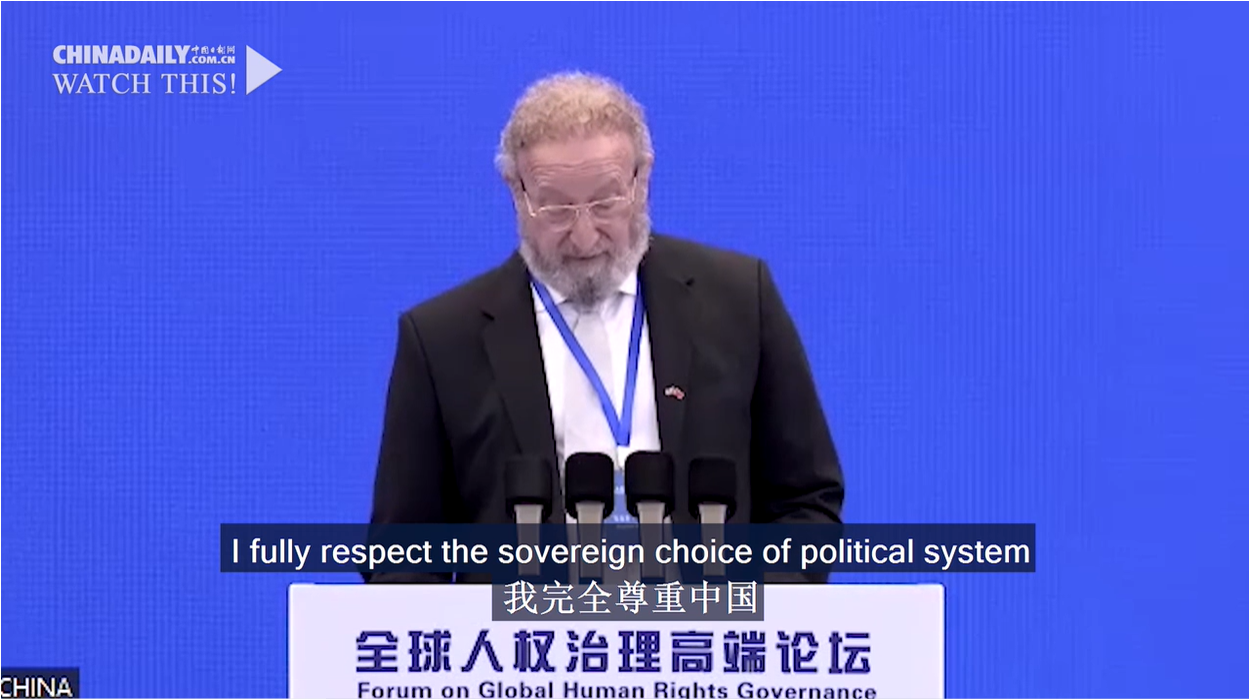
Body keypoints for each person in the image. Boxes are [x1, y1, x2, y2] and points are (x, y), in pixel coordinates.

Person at [368, 72, 844, 583]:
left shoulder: (738, 300)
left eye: (605, 202)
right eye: (556, 207)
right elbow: (401, 556)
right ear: (516, 192)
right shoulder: (442, 340)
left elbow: (806, 500)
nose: (584, 235)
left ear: (643, 179)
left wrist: (747, 612)